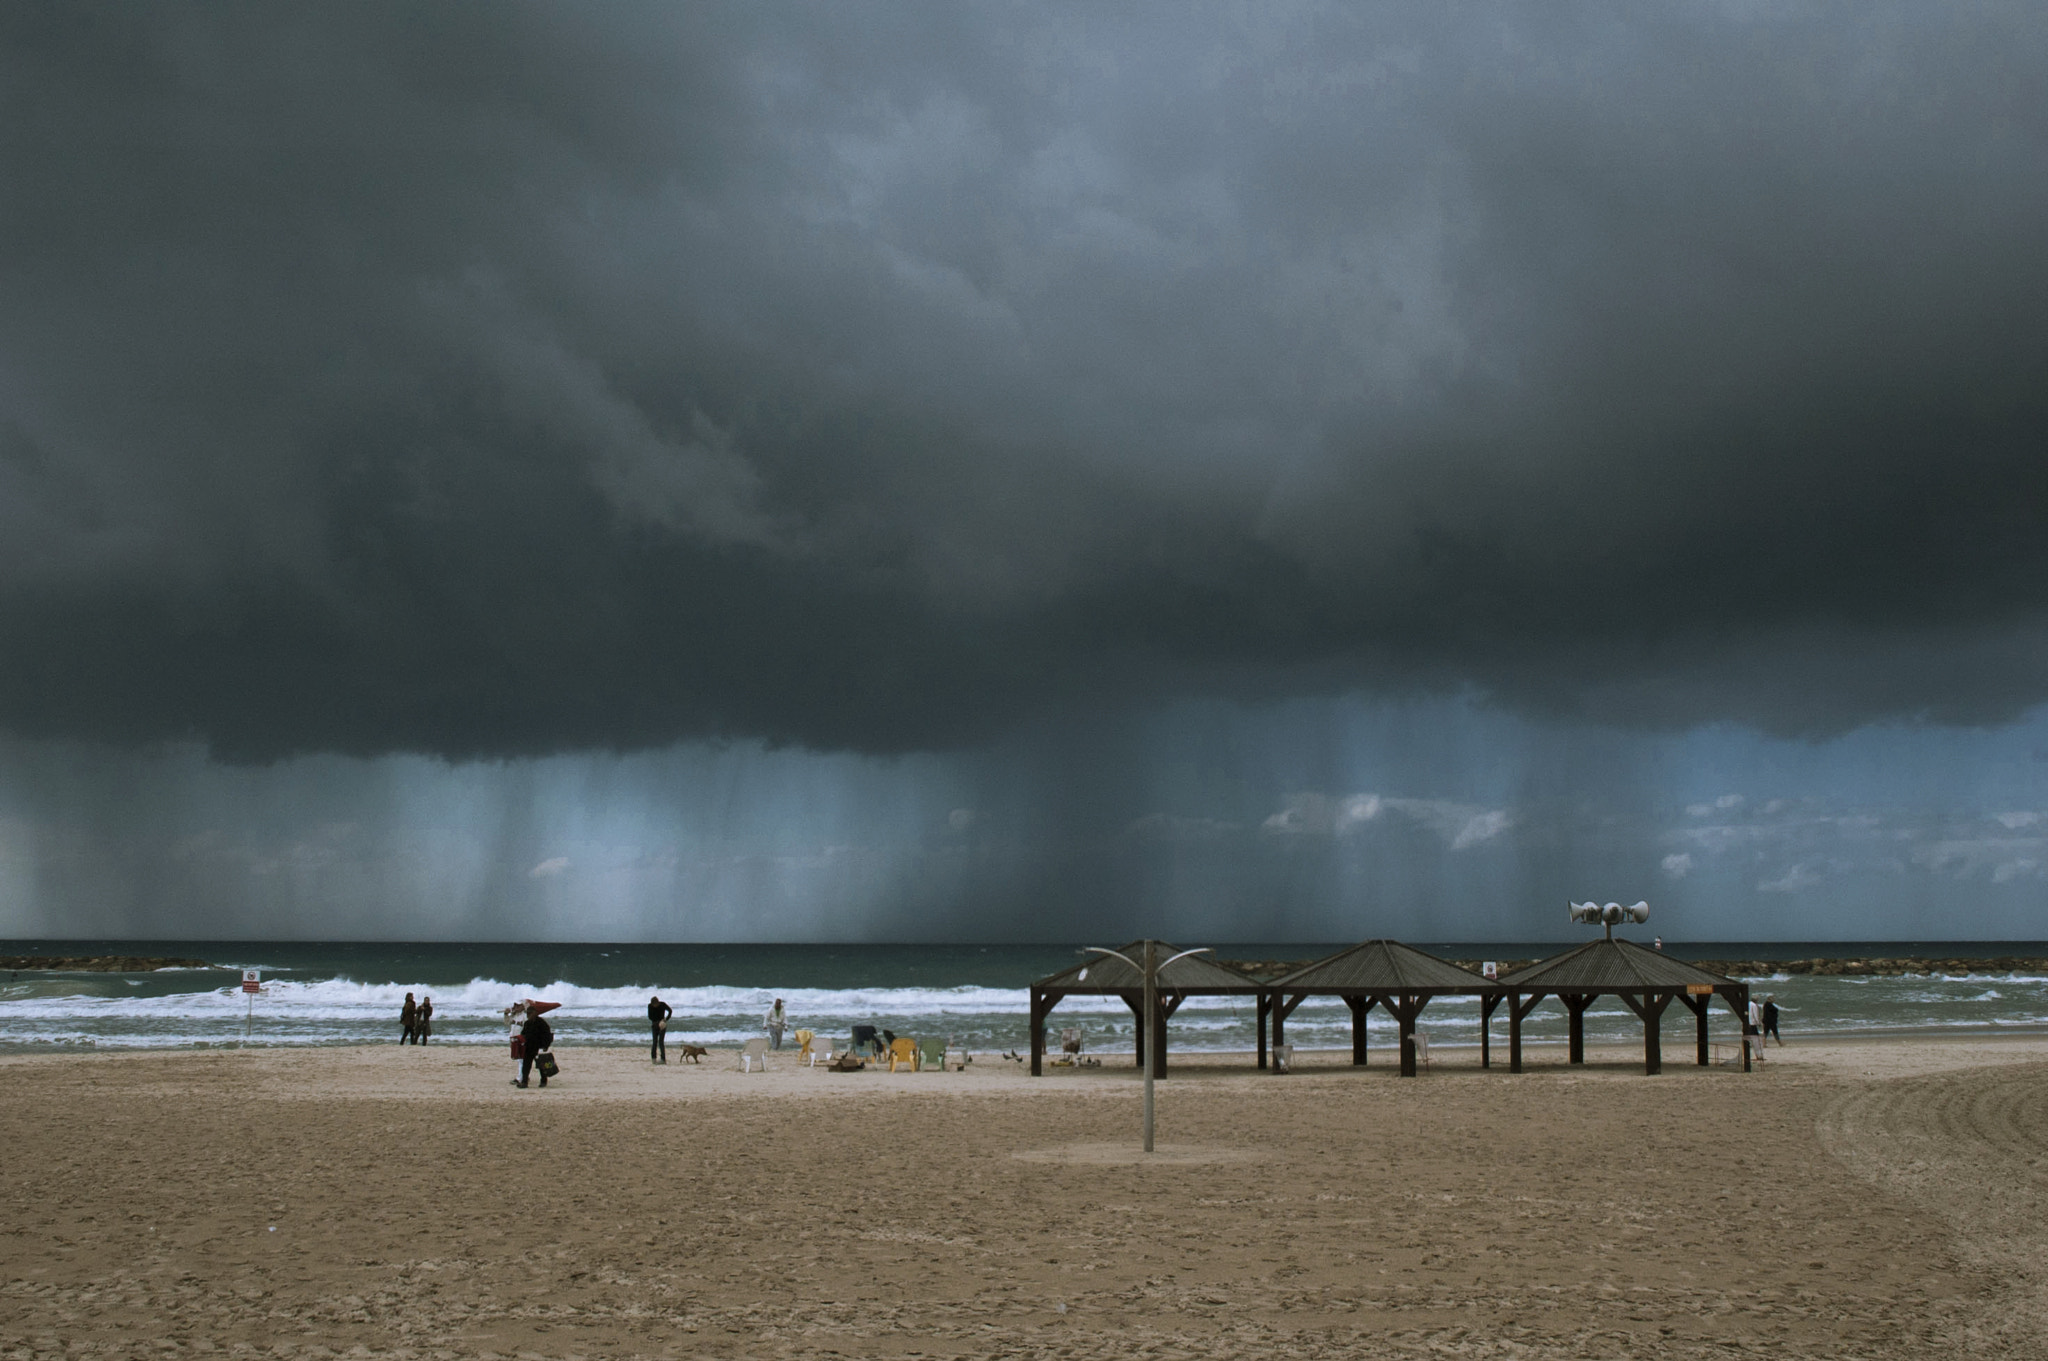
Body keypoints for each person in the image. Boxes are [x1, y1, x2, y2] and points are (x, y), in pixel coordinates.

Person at [518, 1007, 554, 1088]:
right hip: (529, 1047)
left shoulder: (541, 1023)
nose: (528, 1015)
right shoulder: (527, 1023)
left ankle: (543, 1081)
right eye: (527, 1013)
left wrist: (545, 1046)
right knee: (526, 1065)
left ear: (535, 1013)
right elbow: (523, 1034)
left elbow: (547, 1035)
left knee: (541, 1065)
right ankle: (524, 1082)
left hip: (539, 1047)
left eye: (530, 1013)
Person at [506, 1001, 529, 1084]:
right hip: (514, 1039)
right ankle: (524, 1075)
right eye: (515, 1006)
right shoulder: (513, 1015)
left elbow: (527, 1028)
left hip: (521, 1040)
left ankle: (520, 1078)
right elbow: (506, 1022)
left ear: (523, 1006)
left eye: (518, 1006)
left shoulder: (525, 1016)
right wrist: (506, 1014)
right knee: (519, 1059)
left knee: (521, 1059)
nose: (516, 1007)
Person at [648, 994, 672, 1064]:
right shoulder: (650, 1006)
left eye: (656, 1004)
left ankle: (663, 1059)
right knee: (654, 1042)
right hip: (654, 1025)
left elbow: (670, 1011)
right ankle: (653, 1058)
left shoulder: (662, 1004)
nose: (655, 1006)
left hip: (662, 1024)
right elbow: (650, 1017)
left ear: (658, 1002)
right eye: (654, 1005)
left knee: (661, 1042)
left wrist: (665, 1020)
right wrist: (656, 1022)